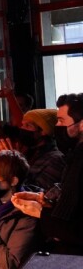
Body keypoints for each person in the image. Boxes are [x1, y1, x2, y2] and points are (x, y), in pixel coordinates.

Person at [12, 92, 83, 255]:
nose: (57, 126)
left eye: (61, 121)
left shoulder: (72, 159)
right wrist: (43, 199)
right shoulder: (74, 156)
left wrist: (41, 212)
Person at [0, 108, 65, 191]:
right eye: (22, 125)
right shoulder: (26, 152)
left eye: (28, 125)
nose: (22, 129)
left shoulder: (56, 159)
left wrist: (12, 162)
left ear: (43, 131)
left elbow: (36, 193)